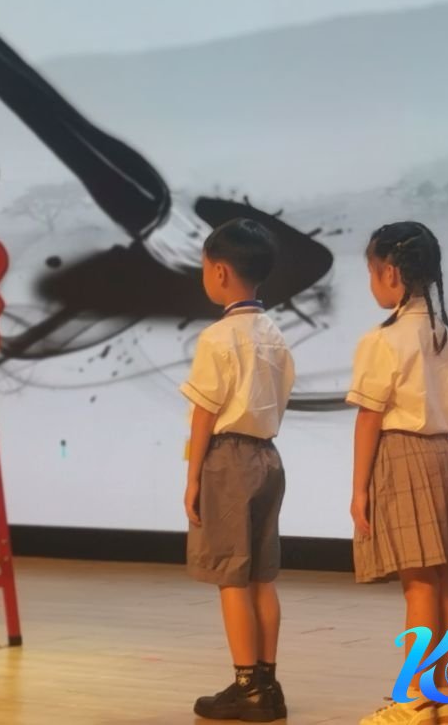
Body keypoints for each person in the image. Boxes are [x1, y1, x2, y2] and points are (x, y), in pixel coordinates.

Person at [348, 222, 448, 725]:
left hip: (402, 456)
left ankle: (415, 696)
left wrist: (358, 489)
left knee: (418, 586)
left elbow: (369, 417)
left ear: (391, 273)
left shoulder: (384, 340)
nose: (372, 282)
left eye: (372, 272)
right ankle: (444, 692)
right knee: (447, 585)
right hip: (446, 456)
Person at [180, 218, 295, 722]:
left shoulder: (217, 337)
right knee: (262, 577)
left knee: (231, 576)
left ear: (221, 271)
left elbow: (205, 412)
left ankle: (246, 684)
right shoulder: (274, 334)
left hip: (227, 459)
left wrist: (192, 478)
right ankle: (267, 682)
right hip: (268, 456)